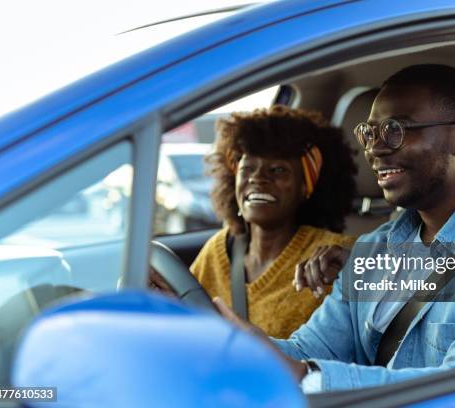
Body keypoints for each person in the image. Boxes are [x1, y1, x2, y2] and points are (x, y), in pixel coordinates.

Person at [213, 64, 455, 391]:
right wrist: (228, 340)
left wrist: (301, 375)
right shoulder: (377, 246)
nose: (375, 148)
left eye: (396, 129)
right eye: (369, 132)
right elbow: (313, 353)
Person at [152, 105, 358, 339]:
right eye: (248, 167)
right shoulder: (218, 250)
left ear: (306, 186)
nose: (258, 178)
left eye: (278, 170)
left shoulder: (335, 257)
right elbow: (191, 319)